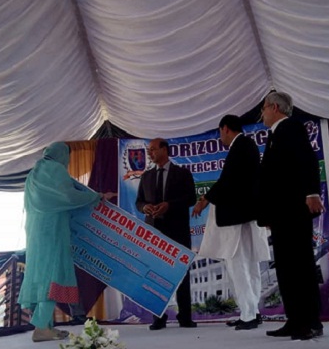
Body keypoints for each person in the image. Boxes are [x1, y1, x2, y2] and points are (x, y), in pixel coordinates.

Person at [19, 142, 113, 342]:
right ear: (62, 155)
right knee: (53, 277)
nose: (68, 162)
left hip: (35, 231)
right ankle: (41, 327)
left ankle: (45, 327)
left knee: (41, 276)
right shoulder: (56, 170)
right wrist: (96, 197)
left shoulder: (34, 174)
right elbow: (68, 197)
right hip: (52, 231)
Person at [193, 115, 271, 331]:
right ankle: (251, 311)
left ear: (225, 128)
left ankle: (249, 314)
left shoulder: (241, 146)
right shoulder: (246, 145)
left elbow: (228, 180)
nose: (221, 137)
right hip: (244, 215)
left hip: (237, 216)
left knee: (239, 265)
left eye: (220, 132)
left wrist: (205, 199)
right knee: (247, 265)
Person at [258, 92, 325, 341]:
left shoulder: (291, 127)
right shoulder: (274, 135)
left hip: (294, 210)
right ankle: (295, 319)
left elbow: (307, 160)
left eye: (263, 108)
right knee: (286, 269)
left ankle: (311, 322)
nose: (262, 114)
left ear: (274, 107)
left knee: (300, 266)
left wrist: (311, 192)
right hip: (280, 213)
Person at [135, 138, 198, 330]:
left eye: (153, 149)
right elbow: (139, 202)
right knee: (155, 275)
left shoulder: (182, 173)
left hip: (178, 231)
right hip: (154, 234)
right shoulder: (146, 176)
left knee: (181, 274)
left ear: (164, 149)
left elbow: (191, 198)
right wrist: (145, 207)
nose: (150, 153)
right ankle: (158, 318)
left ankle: (185, 317)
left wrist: (169, 205)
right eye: (149, 150)